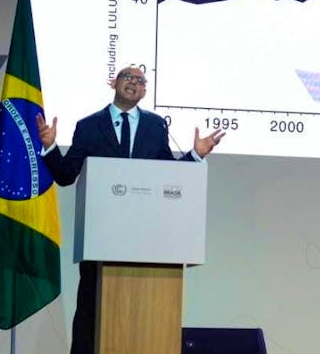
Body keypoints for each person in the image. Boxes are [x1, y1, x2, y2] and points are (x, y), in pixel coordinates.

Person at [36, 66, 224, 354]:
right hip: (100, 239)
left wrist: (195, 155)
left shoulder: (155, 126)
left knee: (141, 319)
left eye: (140, 80)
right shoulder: (89, 125)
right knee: (90, 314)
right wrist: (50, 148)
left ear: (145, 90)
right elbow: (66, 175)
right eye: (128, 77)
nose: (134, 83)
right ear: (114, 82)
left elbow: (167, 174)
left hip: (145, 242)